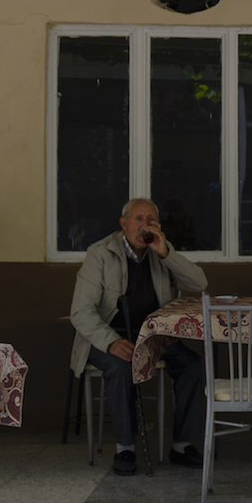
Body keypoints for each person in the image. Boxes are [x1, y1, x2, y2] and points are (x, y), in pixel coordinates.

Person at [69, 198, 210, 476]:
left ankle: (182, 446)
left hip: (153, 336)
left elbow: (200, 284)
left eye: (151, 219)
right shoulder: (100, 253)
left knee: (193, 365)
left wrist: (166, 252)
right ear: (123, 224)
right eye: (138, 219)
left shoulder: (160, 253)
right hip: (108, 336)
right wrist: (110, 341)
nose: (145, 225)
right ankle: (125, 448)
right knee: (121, 367)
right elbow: (80, 311)